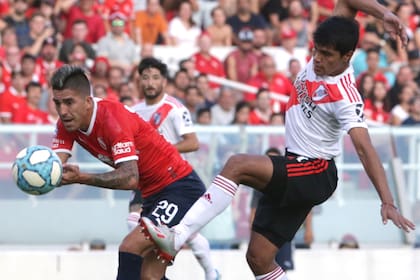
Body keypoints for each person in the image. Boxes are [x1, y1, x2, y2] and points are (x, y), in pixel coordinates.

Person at [140, 1, 416, 279]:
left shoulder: (345, 96)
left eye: (327, 55)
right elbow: (346, 2)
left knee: (237, 164)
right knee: (258, 258)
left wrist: (388, 201)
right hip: (296, 165)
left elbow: (364, 149)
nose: (317, 59)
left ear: (347, 57)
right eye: (316, 51)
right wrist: (385, 14)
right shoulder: (323, 55)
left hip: (315, 171)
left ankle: (177, 236)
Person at [49, 64, 206, 280]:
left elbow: (130, 178)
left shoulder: (112, 117)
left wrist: (81, 178)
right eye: (57, 103)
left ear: (87, 101)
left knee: (130, 248)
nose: (63, 111)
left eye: (69, 102)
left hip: (179, 187)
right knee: (149, 275)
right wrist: (39, 175)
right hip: (153, 194)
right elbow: (54, 168)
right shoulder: (66, 124)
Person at [129, 57, 220, 280]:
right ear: (139, 81)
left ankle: (211, 272)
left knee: (184, 232)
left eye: (155, 78)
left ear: (164, 82)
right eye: (146, 77)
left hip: (172, 179)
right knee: (136, 225)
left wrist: (161, 149)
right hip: (145, 179)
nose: (150, 82)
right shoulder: (133, 111)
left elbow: (193, 142)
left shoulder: (174, 108)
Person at [249, 147, 314, 271]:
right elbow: (253, 211)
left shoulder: (291, 181)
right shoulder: (259, 185)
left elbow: (306, 206)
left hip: (284, 233)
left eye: (274, 159)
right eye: (268, 159)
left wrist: (309, 230)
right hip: (264, 232)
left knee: (281, 267)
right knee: (262, 266)